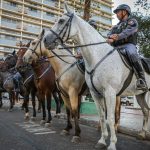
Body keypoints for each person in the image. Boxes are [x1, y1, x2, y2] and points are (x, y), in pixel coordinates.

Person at [107, 4, 148, 91]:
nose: (116, 14)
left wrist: (117, 36)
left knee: (132, 53)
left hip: (128, 45)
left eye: (118, 12)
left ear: (124, 12)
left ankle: (141, 80)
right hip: (116, 47)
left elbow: (128, 31)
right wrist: (109, 38)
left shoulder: (132, 22)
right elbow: (109, 34)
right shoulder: (116, 26)